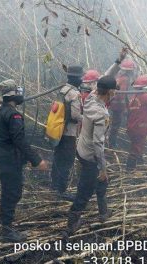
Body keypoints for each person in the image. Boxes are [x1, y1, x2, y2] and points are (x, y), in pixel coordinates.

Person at [0, 79, 48, 242]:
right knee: (12, 193)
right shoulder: (14, 115)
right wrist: (36, 160)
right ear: (13, 95)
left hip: (1, 157)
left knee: (9, 191)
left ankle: (6, 226)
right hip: (9, 159)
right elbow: (19, 141)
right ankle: (7, 231)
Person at [66, 75, 118, 235]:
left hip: (81, 149)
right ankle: (72, 224)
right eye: (114, 89)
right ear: (109, 91)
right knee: (85, 190)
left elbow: (104, 79)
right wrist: (102, 168)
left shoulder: (91, 98)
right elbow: (98, 144)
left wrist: (118, 62)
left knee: (102, 182)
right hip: (91, 156)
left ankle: (103, 213)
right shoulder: (101, 114)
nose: (116, 92)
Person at [50, 66, 84, 201]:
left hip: (58, 131)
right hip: (69, 133)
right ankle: (61, 190)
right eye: (81, 77)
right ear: (76, 78)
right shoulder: (74, 93)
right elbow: (76, 115)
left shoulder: (63, 90)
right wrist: (88, 119)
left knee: (58, 158)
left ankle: (54, 186)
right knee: (67, 161)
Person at [104, 48, 136, 148]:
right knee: (115, 126)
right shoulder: (125, 79)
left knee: (111, 124)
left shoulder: (118, 75)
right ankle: (111, 144)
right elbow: (122, 94)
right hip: (118, 107)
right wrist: (127, 107)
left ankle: (109, 142)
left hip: (112, 105)